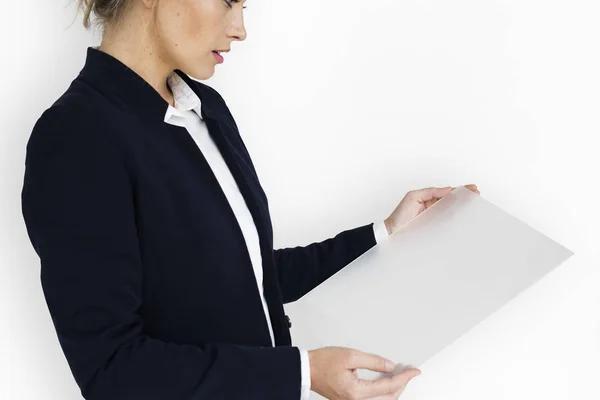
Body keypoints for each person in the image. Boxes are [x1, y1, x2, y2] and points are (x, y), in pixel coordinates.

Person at [20, 0, 480, 399]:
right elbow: (113, 370)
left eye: (246, 8)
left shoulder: (204, 109)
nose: (241, 29)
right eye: (227, 2)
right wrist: (304, 372)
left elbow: (247, 275)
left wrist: (386, 234)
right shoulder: (77, 135)